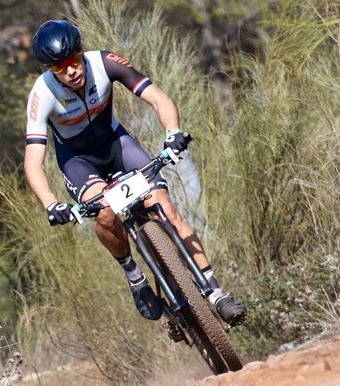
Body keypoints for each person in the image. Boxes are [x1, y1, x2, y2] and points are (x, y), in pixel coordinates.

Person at [23, 19, 247, 325]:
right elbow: (33, 161)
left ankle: (216, 293)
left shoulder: (105, 63)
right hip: (78, 161)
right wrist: (51, 204)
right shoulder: (42, 94)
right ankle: (134, 275)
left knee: (166, 208)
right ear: (50, 70)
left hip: (118, 145)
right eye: (60, 68)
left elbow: (157, 97)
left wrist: (172, 132)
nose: (71, 71)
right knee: (105, 213)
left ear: (82, 52)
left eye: (74, 60)